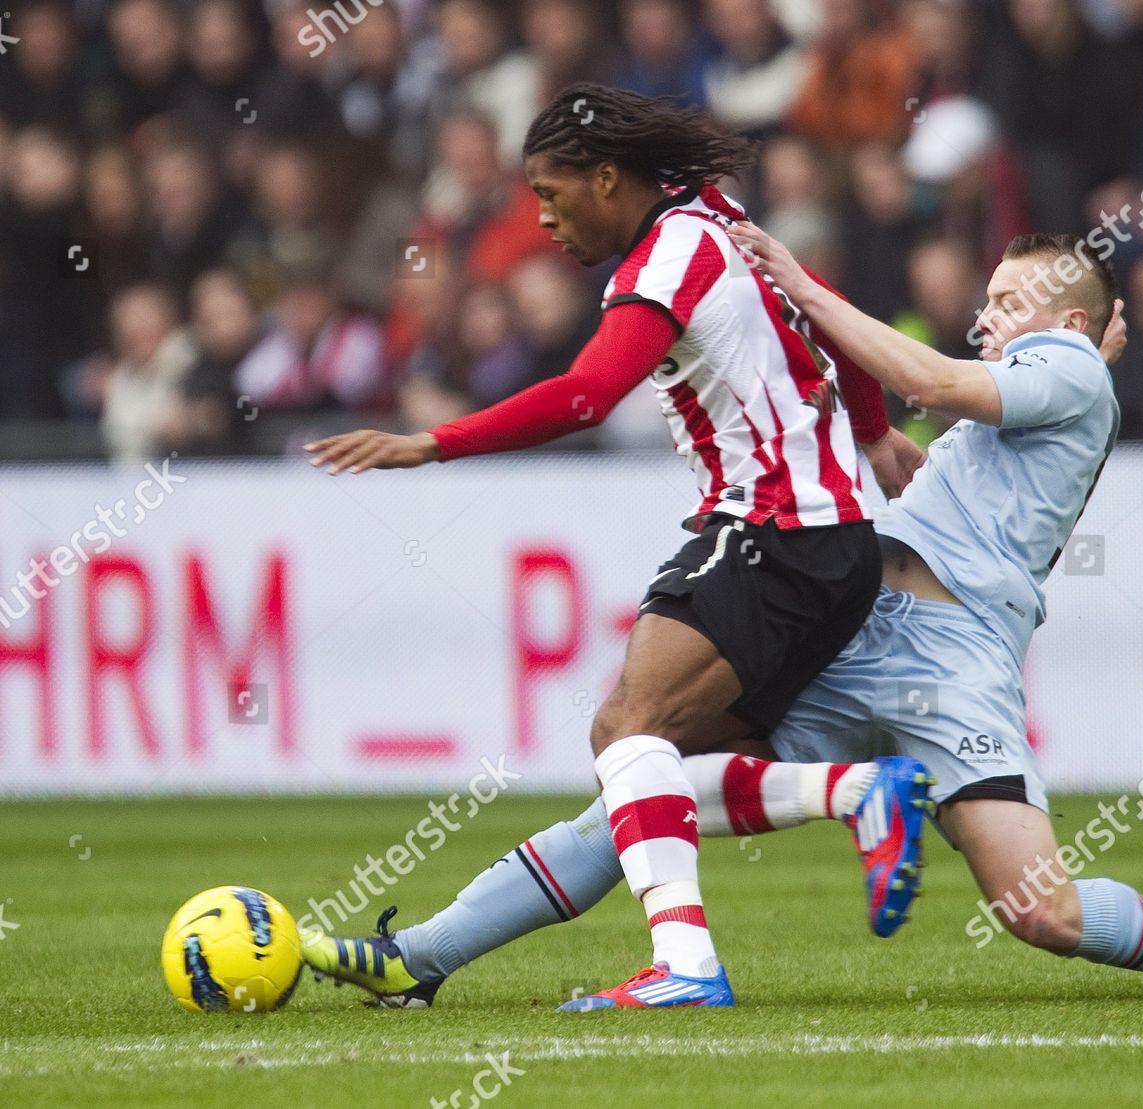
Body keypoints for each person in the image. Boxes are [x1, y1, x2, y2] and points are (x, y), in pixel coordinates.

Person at [301, 229, 1143, 1010]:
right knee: (641, 787)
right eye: (984, 296)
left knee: (1043, 910)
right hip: (863, 636)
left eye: (1007, 299)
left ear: (1071, 323)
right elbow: (906, 448)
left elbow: (931, 373)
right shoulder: (1030, 399)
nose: (986, 313)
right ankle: (423, 954)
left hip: (955, 664)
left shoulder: (1068, 369)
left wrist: (801, 285)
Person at [303, 85, 914, 1010]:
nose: (542, 219)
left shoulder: (662, 262)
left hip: (772, 531)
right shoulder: (717, 214)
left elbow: (588, 394)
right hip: (833, 544)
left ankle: (690, 964)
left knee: (625, 731)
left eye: (552, 195)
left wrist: (433, 442)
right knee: (639, 791)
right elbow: (825, 309)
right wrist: (870, 431)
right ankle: (422, 956)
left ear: (605, 178)